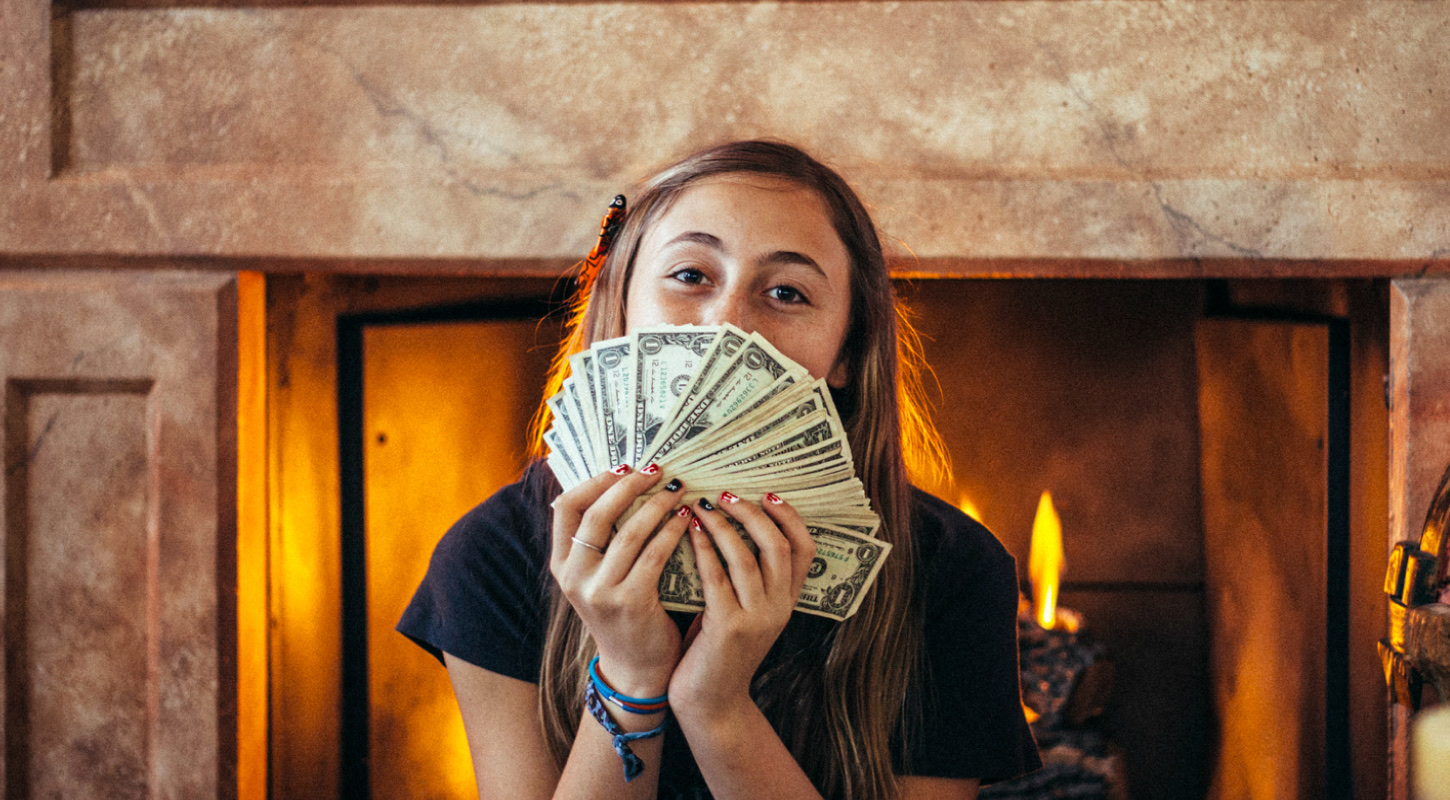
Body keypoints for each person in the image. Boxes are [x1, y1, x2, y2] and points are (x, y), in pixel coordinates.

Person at [398, 140, 1040, 800]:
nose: (727, 324)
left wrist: (717, 706)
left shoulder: (951, 569)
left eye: (787, 292)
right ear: (619, 307)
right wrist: (629, 674)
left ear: (845, 353)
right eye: (690, 276)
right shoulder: (494, 552)